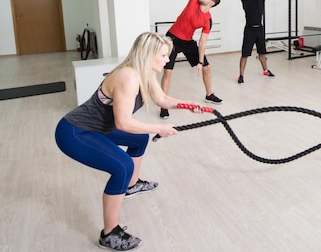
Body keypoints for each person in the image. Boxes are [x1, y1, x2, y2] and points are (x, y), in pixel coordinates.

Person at [55, 32, 207, 251]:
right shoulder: (128, 77)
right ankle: (109, 233)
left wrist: (188, 104)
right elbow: (124, 122)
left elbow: (162, 99)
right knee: (122, 166)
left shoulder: (145, 73)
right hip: (74, 132)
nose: (167, 60)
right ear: (148, 54)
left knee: (139, 139)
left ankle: (130, 186)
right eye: (164, 55)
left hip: (98, 128)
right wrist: (159, 128)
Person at [159, 0, 222, 118]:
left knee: (207, 68)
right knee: (168, 72)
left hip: (187, 42)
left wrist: (200, 62)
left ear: (212, 3)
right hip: (171, 38)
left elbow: (202, 42)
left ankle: (209, 94)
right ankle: (163, 104)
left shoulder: (207, 19)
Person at [237, 0, 274, 84]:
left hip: (260, 29)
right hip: (249, 30)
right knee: (245, 54)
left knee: (262, 53)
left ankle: (265, 70)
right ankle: (241, 76)